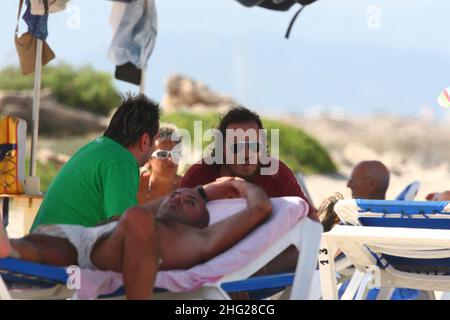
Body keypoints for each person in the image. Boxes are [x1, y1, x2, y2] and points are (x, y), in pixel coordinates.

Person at [0, 178, 272, 300]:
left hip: (106, 253)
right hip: (81, 240)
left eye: (190, 201)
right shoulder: (152, 218)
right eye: (176, 195)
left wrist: (241, 185)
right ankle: (9, 249)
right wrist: (202, 192)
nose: (178, 197)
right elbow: (155, 208)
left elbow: (261, 208)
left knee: (135, 218)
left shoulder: (200, 237)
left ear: (201, 220)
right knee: (27, 250)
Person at [31, 93, 161, 230]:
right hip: (59, 246)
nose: (154, 150)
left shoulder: (97, 147)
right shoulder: (121, 160)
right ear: (145, 140)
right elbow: (124, 225)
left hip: (42, 240)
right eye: (155, 142)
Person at [180, 106, 318, 221]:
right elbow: (176, 226)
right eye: (236, 147)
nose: (246, 155)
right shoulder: (198, 176)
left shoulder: (276, 173)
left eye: (254, 146)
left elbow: (311, 218)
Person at [137, 125, 183, 204]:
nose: (170, 160)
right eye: (162, 154)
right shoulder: (137, 187)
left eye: (175, 154)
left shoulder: (187, 187)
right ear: (149, 157)